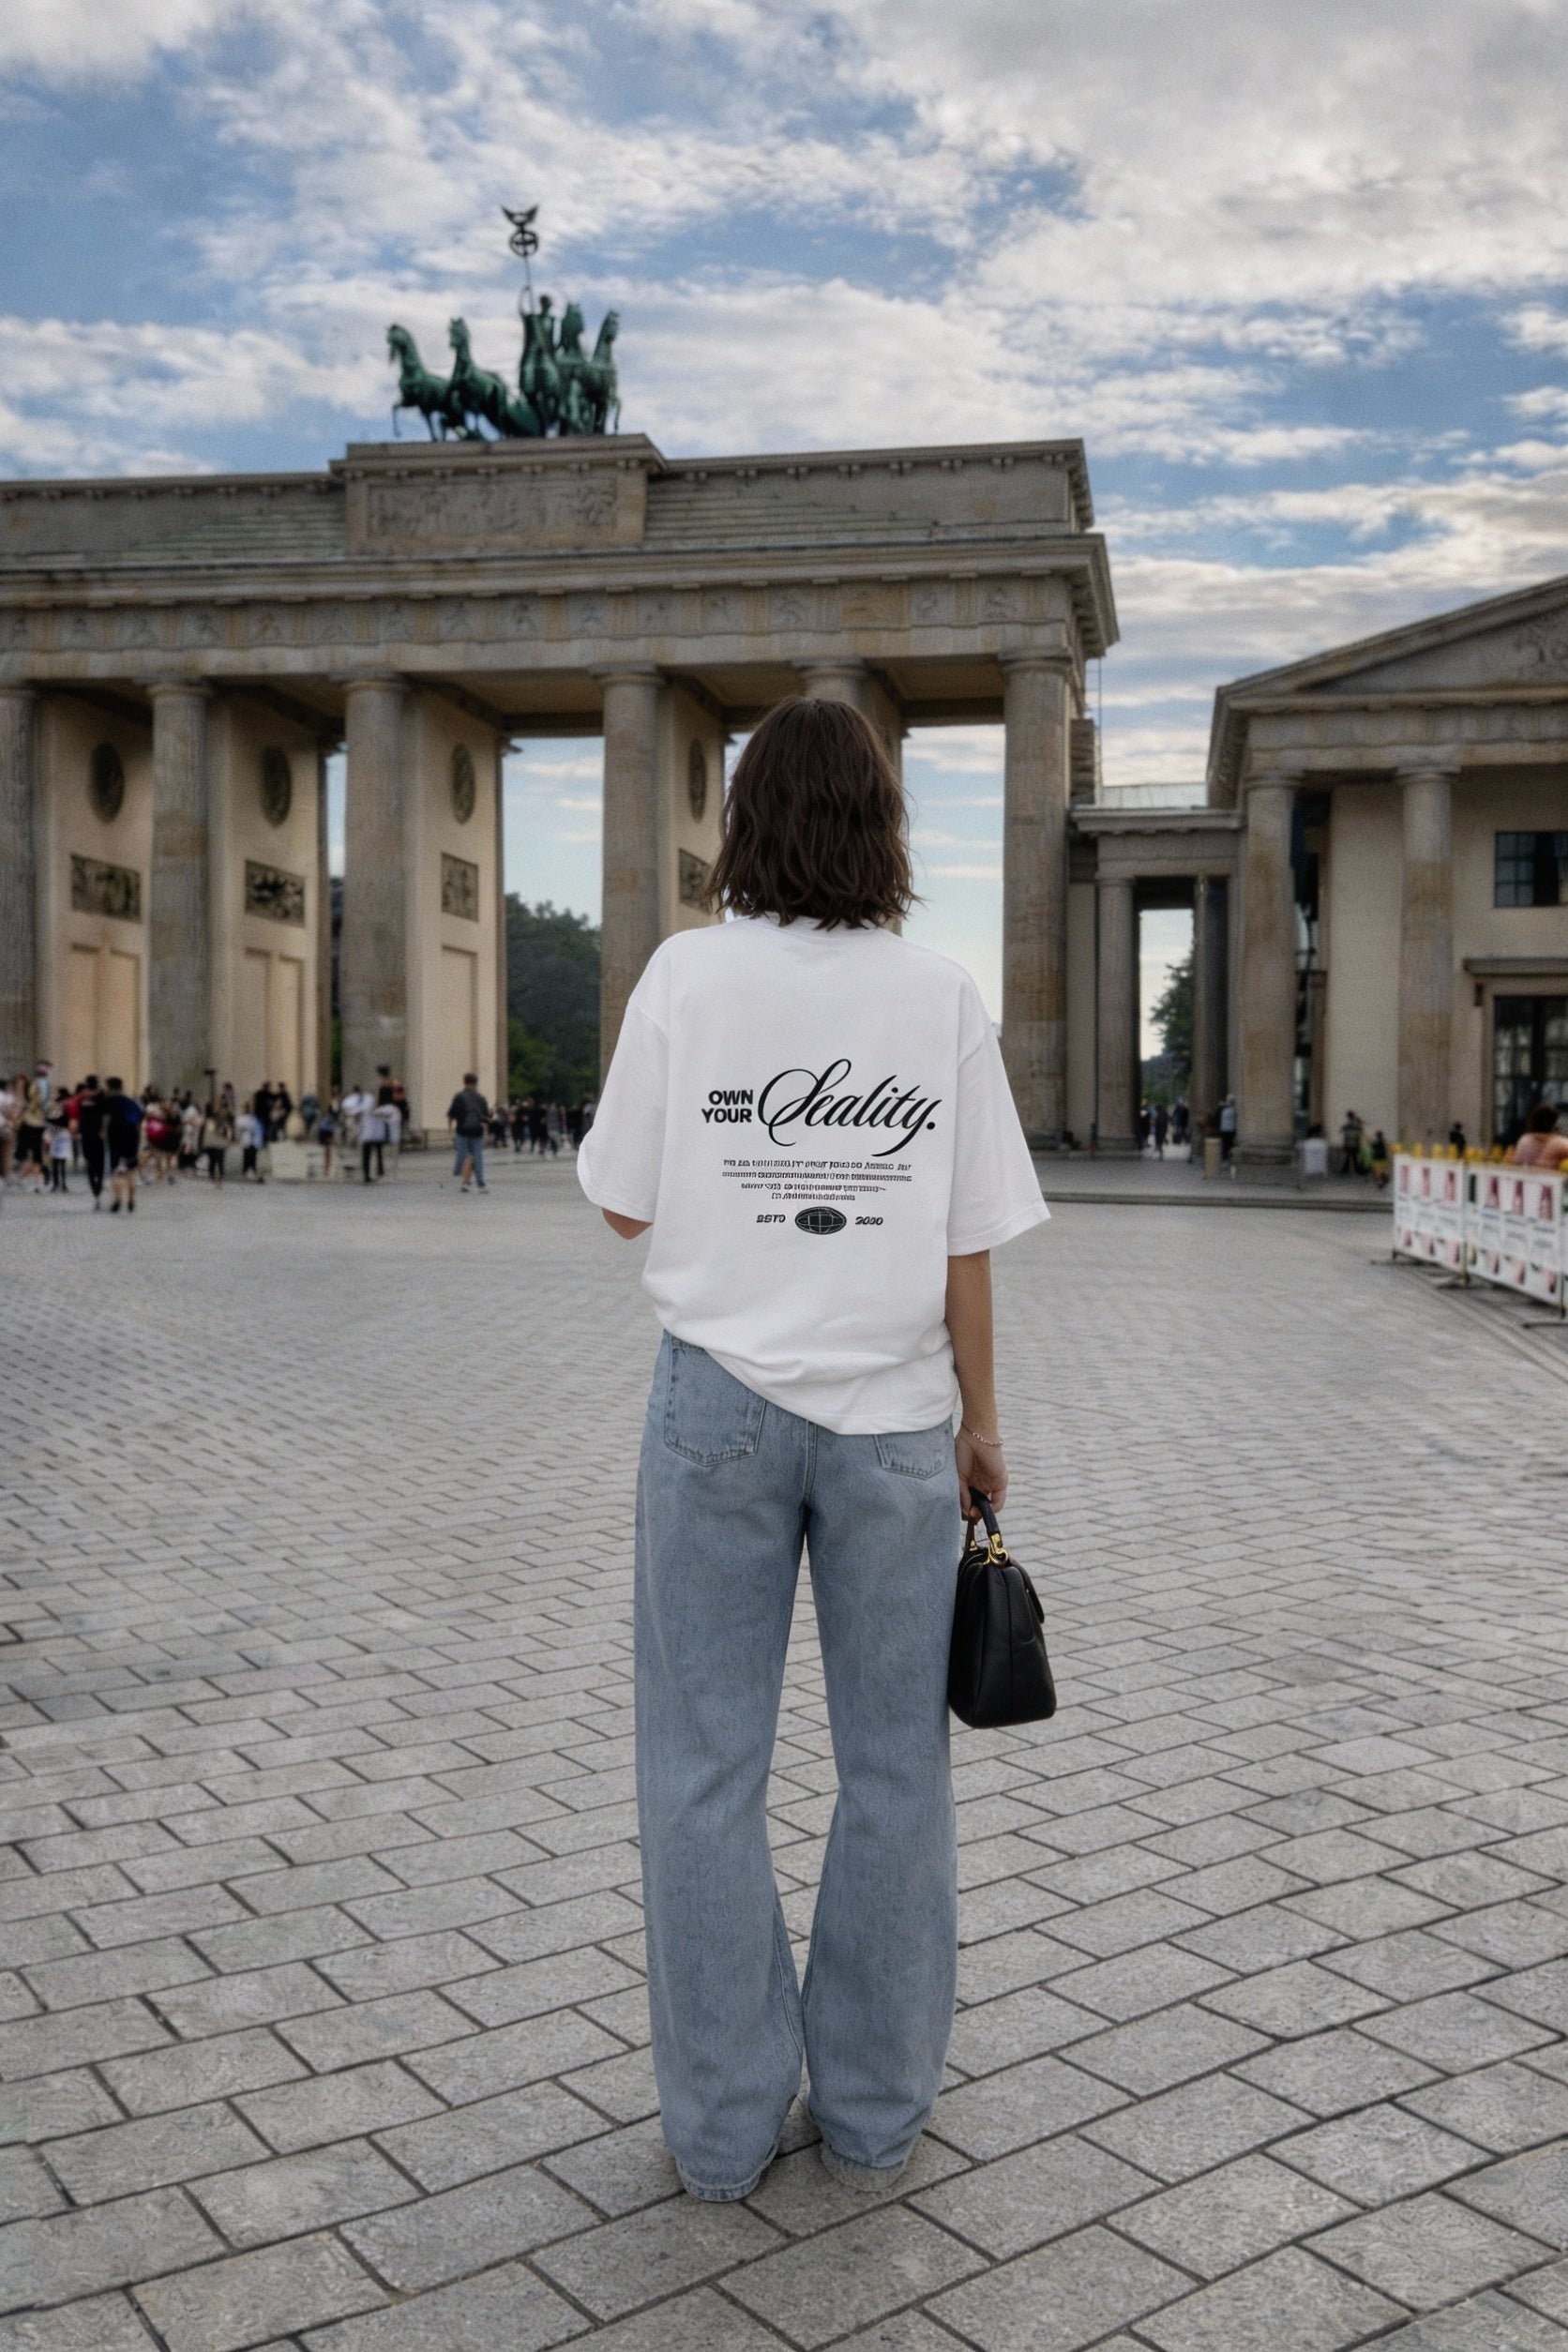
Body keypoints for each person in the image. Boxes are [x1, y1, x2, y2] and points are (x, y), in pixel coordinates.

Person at [579, 695, 1048, 2204]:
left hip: (716, 1399)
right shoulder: (936, 994)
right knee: (895, 1773)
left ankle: (719, 2130)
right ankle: (871, 2114)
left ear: (745, 823)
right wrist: (984, 1424)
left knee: (700, 1768)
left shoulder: (687, 975)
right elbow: (971, 1243)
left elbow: (623, 1203)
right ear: (883, 830)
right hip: (902, 1421)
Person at [104, 1078, 143, 1212]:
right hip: (132, 1137)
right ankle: (131, 1199)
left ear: (109, 1087)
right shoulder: (131, 1102)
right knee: (131, 1170)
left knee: (116, 1171)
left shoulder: (108, 1101)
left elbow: (105, 1120)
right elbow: (140, 1117)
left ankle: (117, 1200)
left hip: (116, 1137)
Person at [447, 1074, 490, 1191]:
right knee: (477, 1156)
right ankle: (481, 1183)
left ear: (464, 1082)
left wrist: (450, 1130)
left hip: (462, 1130)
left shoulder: (459, 1097)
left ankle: (463, 1180)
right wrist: (487, 1133)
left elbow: (451, 1114)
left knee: (464, 1156)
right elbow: (486, 1117)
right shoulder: (480, 1098)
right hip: (477, 1131)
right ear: (476, 1083)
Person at [76, 1077, 107, 1209]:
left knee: (96, 1161)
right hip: (89, 1134)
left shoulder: (99, 1098)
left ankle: (97, 1185)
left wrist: (104, 1129)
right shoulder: (84, 1099)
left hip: (94, 1134)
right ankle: (96, 1186)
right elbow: (79, 1115)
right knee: (92, 1161)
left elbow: (105, 1115)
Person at [1511, 1101, 1568, 1170]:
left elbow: (1516, 1162)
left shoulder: (1524, 1140)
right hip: (1549, 1179)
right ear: (1554, 1124)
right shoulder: (1559, 1144)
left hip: (1527, 1179)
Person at [200, 1101, 229, 1184]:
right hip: (215, 1143)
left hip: (215, 1143)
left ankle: (216, 1175)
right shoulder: (210, 1120)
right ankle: (216, 1175)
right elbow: (220, 1130)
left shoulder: (211, 1119)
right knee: (216, 1160)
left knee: (216, 1160)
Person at [359, 1093, 385, 1184]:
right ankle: (368, 1174)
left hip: (372, 1136)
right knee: (369, 1156)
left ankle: (376, 1171)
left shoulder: (371, 1111)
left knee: (372, 1154)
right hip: (370, 1137)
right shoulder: (372, 1111)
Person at [47, 1113, 71, 1194]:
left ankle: (63, 1184)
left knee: (63, 1164)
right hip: (55, 1139)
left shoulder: (65, 1113)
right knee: (55, 1165)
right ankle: (55, 1184)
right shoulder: (51, 1113)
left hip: (63, 1139)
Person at [316, 1093, 339, 1178]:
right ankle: (326, 1169)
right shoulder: (333, 1112)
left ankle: (326, 1169)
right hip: (326, 1131)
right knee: (328, 1151)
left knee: (327, 1151)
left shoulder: (331, 1113)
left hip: (324, 1130)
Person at [1339, 1109, 1364, 1176]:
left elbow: (1343, 1130)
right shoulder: (1356, 1123)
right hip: (1355, 1143)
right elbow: (1360, 1131)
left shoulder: (1349, 1123)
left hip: (1349, 1143)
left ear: (1348, 1116)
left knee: (1348, 1158)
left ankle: (1345, 1171)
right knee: (1355, 1158)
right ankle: (1358, 1171)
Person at [1218, 1094, 1238, 1163]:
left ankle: (1225, 1157)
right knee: (1229, 1144)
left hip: (1224, 1129)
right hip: (1230, 1130)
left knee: (1225, 1145)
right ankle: (1227, 1157)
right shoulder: (1232, 1109)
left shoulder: (1223, 1108)